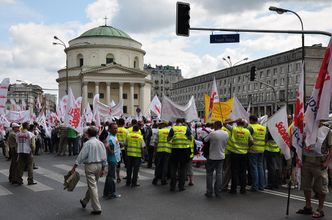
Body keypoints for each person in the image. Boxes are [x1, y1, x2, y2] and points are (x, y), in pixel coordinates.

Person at [296, 122, 332, 218]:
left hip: (319, 163)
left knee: (321, 187)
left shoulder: (327, 130)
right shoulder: (306, 129)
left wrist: (327, 162)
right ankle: (308, 207)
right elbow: (300, 143)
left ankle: (320, 209)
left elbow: (331, 147)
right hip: (306, 161)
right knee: (306, 185)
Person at [71, 126, 107, 215]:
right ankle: (85, 201)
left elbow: (81, 156)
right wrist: (103, 168)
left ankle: (97, 208)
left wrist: (74, 166)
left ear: (88, 134)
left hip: (90, 166)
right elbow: (104, 157)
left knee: (92, 186)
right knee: (93, 185)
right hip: (99, 165)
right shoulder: (100, 143)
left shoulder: (88, 143)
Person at [225, 119, 253, 194]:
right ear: (243, 124)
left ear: (237, 124)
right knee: (243, 171)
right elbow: (251, 141)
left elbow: (224, 124)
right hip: (244, 153)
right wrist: (247, 147)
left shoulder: (234, 129)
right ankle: (243, 189)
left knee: (234, 171)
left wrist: (234, 120)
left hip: (235, 153)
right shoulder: (247, 131)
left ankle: (233, 189)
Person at [204, 121, 228, 197]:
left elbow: (205, 140)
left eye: (214, 125)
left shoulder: (212, 133)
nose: (213, 126)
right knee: (219, 174)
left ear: (216, 125)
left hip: (212, 156)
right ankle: (218, 191)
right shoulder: (226, 133)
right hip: (221, 156)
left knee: (209, 174)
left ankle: (209, 191)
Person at [168, 118, 191, 192]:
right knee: (183, 169)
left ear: (176, 122)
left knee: (173, 168)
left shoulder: (173, 129)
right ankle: (181, 186)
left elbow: (168, 139)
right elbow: (190, 138)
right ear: (182, 122)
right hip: (184, 151)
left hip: (175, 150)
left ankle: (172, 186)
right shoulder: (186, 128)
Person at [248, 115, 267, 192]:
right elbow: (266, 139)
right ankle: (261, 186)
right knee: (260, 167)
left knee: (254, 168)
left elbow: (248, 138)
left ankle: (255, 186)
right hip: (261, 149)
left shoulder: (251, 127)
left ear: (252, 120)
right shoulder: (263, 128)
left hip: (253, 149)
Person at [103, 123, 121, 199]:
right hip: (112, 159)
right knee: (112, 177)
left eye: (116, 128)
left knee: (109, 177)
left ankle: (106, 192)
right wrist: (110, 151)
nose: (116, 130)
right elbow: (107, 145)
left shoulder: (114, 136)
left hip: (114, 158)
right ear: (109, 129)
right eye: (114, 128)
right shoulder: (110, 137)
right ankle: (111, 193)